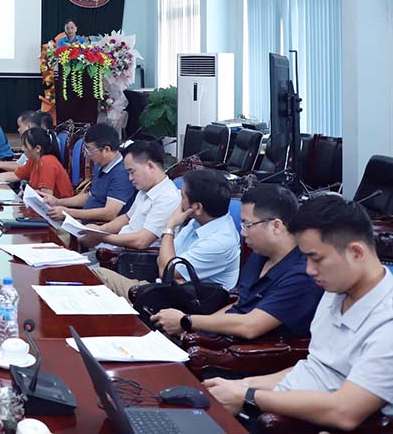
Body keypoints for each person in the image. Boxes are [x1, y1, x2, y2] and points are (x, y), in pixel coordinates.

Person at [204, 195, 393, 431]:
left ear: (356, 252)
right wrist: (242, 386)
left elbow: (344, 412)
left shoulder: (387, 323)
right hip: (284, 406)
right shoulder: (337, 288)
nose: (309, 270)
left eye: (316, 259)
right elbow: (314, 368)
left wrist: (249, 396)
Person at [151, 184, 321, 340]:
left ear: (276, 226)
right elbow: (240, 305)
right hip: (226, 339)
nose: (243, 233)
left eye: (247, 225)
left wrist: (187, 321)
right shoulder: (260, 255)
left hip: (255, 354)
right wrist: (197, 330)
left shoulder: (302, 274)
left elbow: (250, 326)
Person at [92, 168, 240, 299]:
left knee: (96, 279)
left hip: (181, 304)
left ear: (197, 207)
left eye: (182, 196)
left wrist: (169, 226)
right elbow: (163, 261)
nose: (179, 201)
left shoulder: (219, 241)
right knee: (96, 275)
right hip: (164, 289)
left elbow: (166, 270)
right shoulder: (199, 221)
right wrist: (167, 266)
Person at [77, 141, 180, 252]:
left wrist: (102, 237)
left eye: (132, 172)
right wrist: (100, 229)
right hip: (117, 249)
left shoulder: (167, 197)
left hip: (134, 257)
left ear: (150, 166)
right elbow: (127, 217)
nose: (130, 178)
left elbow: (142, 241)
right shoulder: (145, 189)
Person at [42, 123, 136, 223]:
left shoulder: (121, 174)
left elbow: (109, 213)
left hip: (99, 228)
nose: (87, 154)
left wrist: (68, 212)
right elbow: (90, 196)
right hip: (85, 223)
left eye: (90, 150)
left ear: (106, 149)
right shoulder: (103, 166)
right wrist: (57, 202)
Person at [0, 127, 74, 198]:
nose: (22, 149)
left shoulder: (47, 162)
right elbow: (15, 175)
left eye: (25, 146)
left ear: (37, 148)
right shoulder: (34, 160)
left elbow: (45, 197)